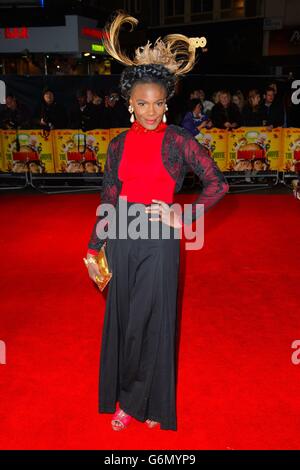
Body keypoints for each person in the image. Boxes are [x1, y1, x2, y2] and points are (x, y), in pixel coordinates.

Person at [84, 12, 229, 432]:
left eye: (159, 103)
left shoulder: (180, 141)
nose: (151, 111)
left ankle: (148, 402)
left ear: (167, 103)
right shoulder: (116, 145)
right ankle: (127, 399)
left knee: (154, 321)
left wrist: (181, 214)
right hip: (123, 238)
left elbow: (217, 185)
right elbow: (109, 196)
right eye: (143, 103)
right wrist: (94, 246)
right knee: (126, 320)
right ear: (130, 103)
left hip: (160, 239)